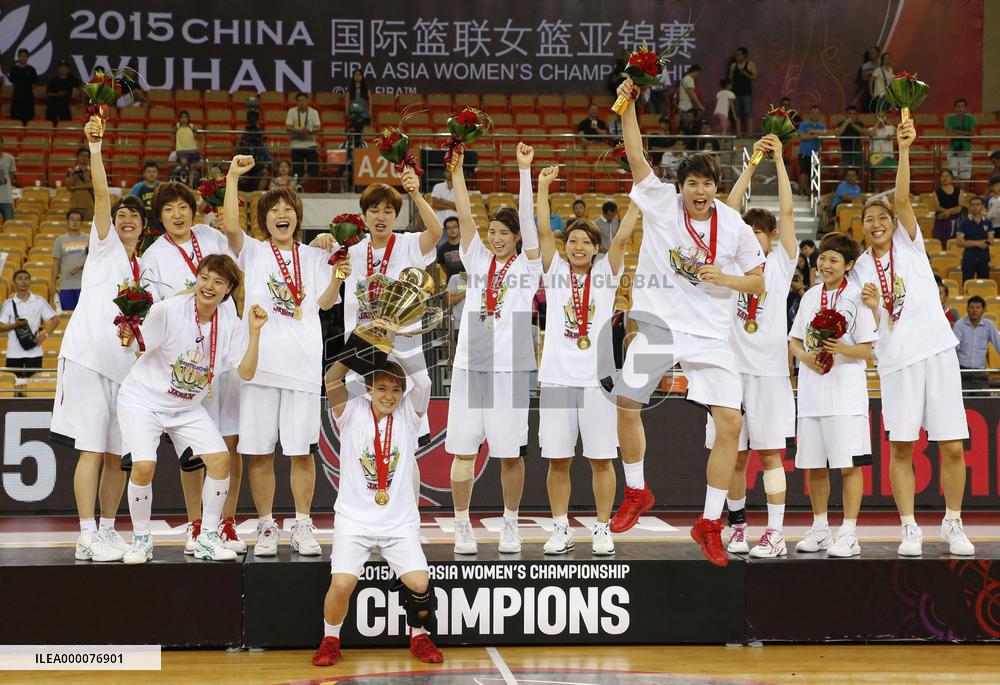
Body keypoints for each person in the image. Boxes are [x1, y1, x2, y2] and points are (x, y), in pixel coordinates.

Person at [610, 77, 765, 566]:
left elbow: (758, 282)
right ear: (680, 187)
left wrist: (726, 277)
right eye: (692, 183)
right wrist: (628, 109)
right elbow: (636, 157)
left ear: (716, 189)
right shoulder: (660, 204)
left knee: (730, 424)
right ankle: (636, 491)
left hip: (711, 333)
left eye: (707, 184)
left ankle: (710, 522)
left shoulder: (734, 224)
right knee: (627, 402)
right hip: (659, 323)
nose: (699, 191)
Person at [851, 119, 975, 557]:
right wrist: (870, 305)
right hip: (896, 362)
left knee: (953, 447)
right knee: (901, 446)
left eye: (883, 217)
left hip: (937, 352)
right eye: (869, 219)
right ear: (861, 228)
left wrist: (904, 148)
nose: (878, 222)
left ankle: (953, 522)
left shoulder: (911, 244)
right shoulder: (859, 272)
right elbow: (871, 330)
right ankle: (909, 527)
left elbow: (901, 197)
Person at [222, 156, 346, 558]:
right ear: (264, 219)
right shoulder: (254, 252)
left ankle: (303, 525)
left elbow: (325, 303)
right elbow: (229, 225)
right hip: (258, 368)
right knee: (259, 452)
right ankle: (265, 526)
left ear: (297, 217)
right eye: (274, 210)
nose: (282, 214)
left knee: (300, 451)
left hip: (304, 368)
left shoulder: (312, 257)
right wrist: (233, 177)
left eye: (288, 209)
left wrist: (338, 275)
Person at [119, 259, 268, 564]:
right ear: (195, 280)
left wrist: (254, 333)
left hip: (186, 407)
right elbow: (137, 346)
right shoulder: (170, 310)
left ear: (228, 290)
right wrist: (129, 324)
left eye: (218, 282)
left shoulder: (228, 323)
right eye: (204, 278)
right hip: (143, 400)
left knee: (219, 460)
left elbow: (248, 372)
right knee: (144, 466)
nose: (209, 286)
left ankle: (207, 538)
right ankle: (141, 540)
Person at [50, 115, 150, 563]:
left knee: (116, 455)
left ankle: (109, 530)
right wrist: (95, 150)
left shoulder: (143, 272)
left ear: (144, 228)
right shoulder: (105, 243)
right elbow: (102, 196)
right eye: (120, 213)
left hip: (124, 372)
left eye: (134, 215)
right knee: (91, 449)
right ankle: (85, 532)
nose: (124, 218)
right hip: (88, 359)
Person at [140, 181, 248, 553]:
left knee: (229, 442)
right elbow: (151, 311)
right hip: (186, 362)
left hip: (227, 348)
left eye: (182, 206)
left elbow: (235, 236)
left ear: (193, 208)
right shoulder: (153, 256)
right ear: (160, 216)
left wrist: (231, 178)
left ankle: (226, 524)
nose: (177, 214)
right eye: (168, 209)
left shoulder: (211, 235)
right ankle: (196, 523)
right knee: (191, 448)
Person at [535, 159, 636, 556]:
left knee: (600, 459)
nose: (578, 247)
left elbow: (625, 236)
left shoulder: (607, 273)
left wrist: (638, 200)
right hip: (558, 378)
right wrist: (543, 187)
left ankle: (601, 528)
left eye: (586, 242)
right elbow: (544, 229)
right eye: (572, 241)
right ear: (566, 247)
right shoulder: (555, 272)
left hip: (597, 381)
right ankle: (560, 528)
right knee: (557, 459)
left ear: (596, 248)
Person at [446, 145, 543, 555]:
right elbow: (465, 215)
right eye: (493, 232)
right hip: (471, 368)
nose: (497, 238)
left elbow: (531, 222)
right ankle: (462, 525)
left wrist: (524, 172)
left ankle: (509, 524)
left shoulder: (529, 268)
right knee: (464, 452)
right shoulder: (477, 260)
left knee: (510, 456)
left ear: (517, 236)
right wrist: (459, 172)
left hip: (511, 372)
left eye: (505, 233)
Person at [316, 361, 443, 667]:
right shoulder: (349, 411)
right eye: (382, 389)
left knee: (420, 584)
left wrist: (394, 336)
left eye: (396, 390)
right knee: (343, 584)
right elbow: (332, 377)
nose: (389, 396)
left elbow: (423, 382)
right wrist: (366, 346)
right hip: (354, 520)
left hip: (398, 523)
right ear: (369, 388)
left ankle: (419, 636)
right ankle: (330, 640)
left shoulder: (410, 415)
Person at [712, 135, 799, 558]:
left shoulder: (781, 264)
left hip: (768, 374)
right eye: (746, 232)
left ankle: (777, 533)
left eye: (759, 232)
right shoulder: (730, 262)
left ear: (770, 237)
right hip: (730, 373)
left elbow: (785, 211)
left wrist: (778, 160)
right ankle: (740, 526)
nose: (752, 237)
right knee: (734, 457)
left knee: (769, 456)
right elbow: (726, 211)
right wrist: (749, 165)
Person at [790, 233, 877, 558]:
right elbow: (795, 340)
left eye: (834, 260)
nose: (825, 265)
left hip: (845, 394)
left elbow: (867, 350)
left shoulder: (857, 297)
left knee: (849, 466)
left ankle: (849, 533)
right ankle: (820, 528)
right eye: (823, 258)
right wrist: (805, 357)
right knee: (815, 466)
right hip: (812, 393)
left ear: (849, 265)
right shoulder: (811, 296)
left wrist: (842, 348)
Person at [0, 269, 58, 376]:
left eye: (26, 279)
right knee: (14, 387)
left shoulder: (39, 300)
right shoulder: (8, 304)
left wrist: (45, 335)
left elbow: (55, 319)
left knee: (34, 384)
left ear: (30, 282)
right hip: (13, 353)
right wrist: (15, 325)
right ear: (14, 283)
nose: (23, 281)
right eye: (20, 278)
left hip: (34, 352)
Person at [953, 296, 1000, 390]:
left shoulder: (989, 325)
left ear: (984, 309)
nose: (974, 310)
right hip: (962, 371)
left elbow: (999, 345)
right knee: (963, 402)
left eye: (978, 307)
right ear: (967, 309)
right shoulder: (959, 325)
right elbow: (954, 348)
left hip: (980, 373)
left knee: (982, 402)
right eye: (971, 307)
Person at [52, 209, 89, 311]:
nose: (75, 222)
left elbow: (94, 260)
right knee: (68, 316)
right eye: (72, 219)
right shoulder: (60, 241)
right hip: (66, 286)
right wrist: (53, 285)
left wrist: (81, 266)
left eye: (78, 220)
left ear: (81, 222)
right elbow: (55, 264)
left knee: (83, 316)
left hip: (84, 286)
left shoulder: (88, 239)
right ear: (67, 221)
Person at [956, 196, 994, 282]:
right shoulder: (964, 222)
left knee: (984, 283)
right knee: (967, 282)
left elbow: (990, 240)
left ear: (983, 206)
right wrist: (979, 243)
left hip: (984, 257)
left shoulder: (988, 222)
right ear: (969, 206)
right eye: (972, 205)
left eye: (978, 204)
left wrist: (969, 242)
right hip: (969, 257)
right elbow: (959, 242)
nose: (975, 207)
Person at [286, 92, 321, 184]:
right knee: (298, 170)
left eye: (303, 100)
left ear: (307, 101)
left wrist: (308, 130)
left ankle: (299, 184)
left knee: (315, 168)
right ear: (296, 102)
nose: (301, 103)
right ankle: (298, 186)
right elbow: (288, 127)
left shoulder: (314, 112)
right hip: (296, 145)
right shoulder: (291, 111)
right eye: (299, 101)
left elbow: (318, 127)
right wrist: (300, 131)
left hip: (310, 144)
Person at [944, 98, 977, 182]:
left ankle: (964, 194)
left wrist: (956, 131)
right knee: (952, 174)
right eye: (958, 106)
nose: (960, 108)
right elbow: (949, 134)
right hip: (953, 149)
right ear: (955, 108)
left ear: (965, 108)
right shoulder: (950, 118)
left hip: (966, 149)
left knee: (965, 175)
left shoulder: (970, 119)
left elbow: (972, 133)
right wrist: (965, 133)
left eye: (962, 106)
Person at [797, 106, 827, 196]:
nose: (814, 114)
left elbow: (825, 133)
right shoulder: (803, 125)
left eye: (816, 112)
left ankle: (812, 194)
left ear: (819, 114)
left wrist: (811, 132)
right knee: (804, 172)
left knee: (815, 175)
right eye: (812, 112)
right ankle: (802, 192)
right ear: (809, 114)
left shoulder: (822, 125)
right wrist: (816, 135)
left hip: (817, 154)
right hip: (804, 153)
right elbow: (802, 137)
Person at [929, 169, 964, 245]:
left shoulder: (959, 191)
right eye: (942, 176)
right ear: (939, 178)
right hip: (941, 219)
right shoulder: (936, 192)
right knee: (941, 242)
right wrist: (946, 212)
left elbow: (961, 206)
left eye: (947, 176)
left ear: (951, 178)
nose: (945, 178)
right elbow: (937, 207)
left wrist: (949, 211)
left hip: (956, 220)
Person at [728, 47, 757, 137]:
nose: (737, 56)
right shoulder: (733, 65)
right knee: (737, 114)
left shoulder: (750, 64)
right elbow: (730, 78)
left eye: (739, 54)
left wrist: (746, 74)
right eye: (736, 55)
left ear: (744, 55)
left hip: (746, 93)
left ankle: (750, 133)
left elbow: (755, 77)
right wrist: (729, 91)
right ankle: (738, 133)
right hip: (735, 93)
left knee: (748, 113)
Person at [7, 49, 37, 124]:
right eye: (21, 56)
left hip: (28, 98)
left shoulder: (31, 69)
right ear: (18, 56)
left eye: (25, 56)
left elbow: (34, 84)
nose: (23, 58)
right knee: (15, 120)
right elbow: (12, 82)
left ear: (28, 57)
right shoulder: (13, 69)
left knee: (28, 120)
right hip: (16, 97)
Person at [45, 59, 79, 125]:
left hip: (65, 107)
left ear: (68, 69)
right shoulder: (53, 80)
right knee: (50, 126)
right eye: (61, 67)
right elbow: (47, 94)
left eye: (65, 67)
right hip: (52, 107)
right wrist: (58, 94)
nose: (63, 69)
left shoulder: (72, 80)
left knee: (66, 126)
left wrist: (81, 102)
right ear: (58, 69)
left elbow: (80, 89)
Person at [834, 106, 867, 171]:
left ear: (856, 115)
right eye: (850, 114)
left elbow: (865, 133)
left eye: (853, 114)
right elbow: (837, 133)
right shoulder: (841, 123)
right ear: (846, 114)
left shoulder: (859, 123)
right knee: (847, 173)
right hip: (846, 154)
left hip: (858, 153)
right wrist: (846, 123)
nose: (851, 116)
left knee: (858, 174)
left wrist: (853, 125)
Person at [65, 148, 94, 220]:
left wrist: (75, 188)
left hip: (89, 205)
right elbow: (69, 185)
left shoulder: (93, 171)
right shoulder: (71, 170)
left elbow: (93, 185)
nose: (84, 158)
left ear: (89, 158)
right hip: (75, 205)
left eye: (86, 156)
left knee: (88, 228)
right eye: (82, 155)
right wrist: (72, 174)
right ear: (77, 157)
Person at [174, 110, 202, 182]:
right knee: (183, 162)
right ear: (179, 119)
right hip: (181, 149)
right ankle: (183, 170)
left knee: (192, 167)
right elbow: (173, 132)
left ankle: (190, 185)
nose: (183, 119)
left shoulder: (191, 126)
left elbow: (198, 132)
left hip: (192, 148)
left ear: (188, 118)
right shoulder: (177, 126)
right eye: (182, 117)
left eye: (185, 117)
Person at [345, 69, 373, 133]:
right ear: (353, 76)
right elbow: (347, 100)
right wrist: (346, 111)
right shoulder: (350, 88)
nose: (358, 76)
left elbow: (370, 100)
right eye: (356, 75)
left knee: (363, 128)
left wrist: (370, 111)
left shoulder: (366, 88)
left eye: (359, 75)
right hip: (353, 111)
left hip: (364, 111)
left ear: (362, 76)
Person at [858, 46, 881, 112]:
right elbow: (864, 78)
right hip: (868, 91)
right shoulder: (865, 66)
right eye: (869, 53)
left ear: (878, 53)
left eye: (873, 52)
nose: (870, 54)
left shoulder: (881, 65)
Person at [0, 137, 16, 222]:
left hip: (6, 198)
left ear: (2, 144)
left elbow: (12, 177)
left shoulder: (10, 159)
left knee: (10, 225)